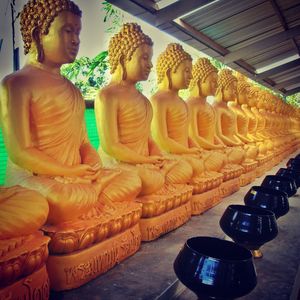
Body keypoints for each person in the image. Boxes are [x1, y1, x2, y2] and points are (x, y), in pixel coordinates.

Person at [0, 0, 142, 226]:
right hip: (36, 179)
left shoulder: (74, 91)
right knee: (50, 203)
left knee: (131, 180)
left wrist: (92, 164)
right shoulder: (16, 84)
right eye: (68, 31)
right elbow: (21, 152)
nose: (76, 40)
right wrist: (68, 171)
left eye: (78, 32)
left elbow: (84, 142)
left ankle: (87, 202)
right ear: (38, 34)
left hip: (75, 177)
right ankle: (89, 203)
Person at [95, 24, 193, 198]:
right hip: (117, 163)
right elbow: (111, 146)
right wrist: (145, 161)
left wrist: (157, 157)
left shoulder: (144, 101)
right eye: (144, 58)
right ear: (124, 58)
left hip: (142, 164)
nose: (150, 66)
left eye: (150, 59)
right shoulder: (107, 96)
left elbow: (148, 139)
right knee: (145, 180)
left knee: (183, 168)